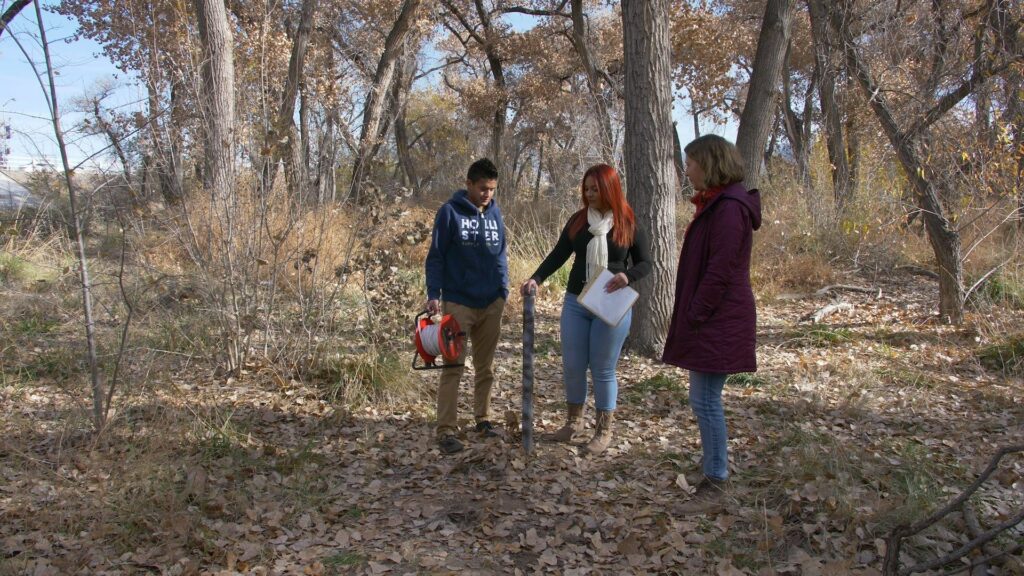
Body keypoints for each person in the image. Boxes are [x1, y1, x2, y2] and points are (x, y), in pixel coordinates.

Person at [520, 164, 651, 455]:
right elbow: (558, 254)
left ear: (609, 189)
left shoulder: (627, 221)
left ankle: (603, 430)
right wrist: (536, 277)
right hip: (577, 302)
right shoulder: (579, 221)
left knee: (603, 369)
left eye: (595, 189)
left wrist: (628, 276)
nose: (589, 194)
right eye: (586, 189)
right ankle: (573, 423)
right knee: (573, 365)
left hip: (610, 303)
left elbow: (646, 263)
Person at [662, 135, 761, 514]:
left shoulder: (730, 208)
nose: (686, 170)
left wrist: (695, 313)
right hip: (710, 317)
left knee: (705, 400)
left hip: (718, 318)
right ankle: (712, 469)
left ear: (709, 163)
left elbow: (720, 271)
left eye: (690, 163)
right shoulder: (717, 204)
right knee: (703, 399)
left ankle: (717, 480)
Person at [425, 158, 509, 455]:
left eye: (492, 189)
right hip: (459, 301)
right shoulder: (449, 213)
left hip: (491, 302)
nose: (488, 194)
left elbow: (501, 253)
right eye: (483, 188)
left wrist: (503, 290)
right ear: (469, 184)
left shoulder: (495, 213)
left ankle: (482, 419)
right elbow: (436, 255)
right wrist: (434, 293)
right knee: (454, 365)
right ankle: (446, 428)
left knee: (486, 367)